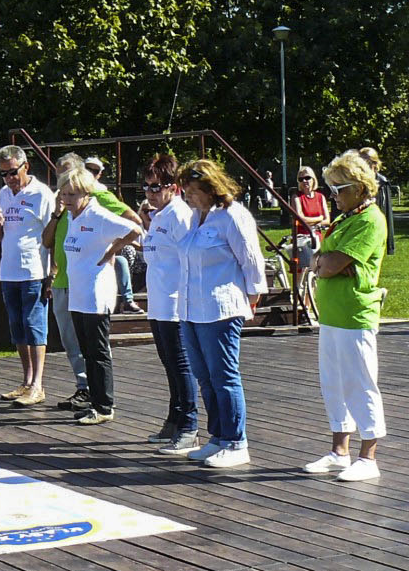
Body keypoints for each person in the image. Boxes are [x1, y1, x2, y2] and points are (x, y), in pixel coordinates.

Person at [172, 158, 268, 470]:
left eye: (193, 190)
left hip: (220, 309)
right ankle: (218, 436)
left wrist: (252, 297)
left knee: (224, 376)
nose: (188, 196)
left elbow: (252, 261)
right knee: (204, 376)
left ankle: (236, 441)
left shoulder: (232, 216)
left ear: (211, 188)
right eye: (186, 190)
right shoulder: (194, 217)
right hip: (191, 309)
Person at [302, 150, 388, 482]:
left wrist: (324, 263)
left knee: (360, 383)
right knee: (333, 382)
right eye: (331, 188)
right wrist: (323, 262)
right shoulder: (345, 218)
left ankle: (369, 456)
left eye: (338, 189)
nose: (332, 196)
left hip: (354, 313)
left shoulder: (370, 219)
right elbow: (321, 260)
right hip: (332, 314)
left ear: (359, 188)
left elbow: (331, 263)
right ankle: (340, 451)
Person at [43, 153, 140, 412]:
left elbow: (136, 229)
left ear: (86, 193)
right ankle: (93, 401)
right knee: (85, 351)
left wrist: (113, 249)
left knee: (97, 352)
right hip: (77, 293)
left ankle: (104, 406)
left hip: (96, 294)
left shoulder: (97, 214)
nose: (66, 199)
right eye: (64, 194)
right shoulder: (72, 216)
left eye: (72, 195)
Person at [139, 152, 199, 454]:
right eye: (147, 186)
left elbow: (190, 258)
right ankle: (174, 419)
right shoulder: (159, 216)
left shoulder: (179, 215)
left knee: (181, 366)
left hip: (175, 304)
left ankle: (189, 426)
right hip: (158, 303)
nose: (150, 193)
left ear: (173, 187)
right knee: (169, 365)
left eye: (156, 187)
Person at [0, 145, 55, 405]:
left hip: (34, 270)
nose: (9, 179)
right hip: (8, 271)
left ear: (25, 166)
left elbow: (53, 235)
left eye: (12, 172)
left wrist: (52, 273)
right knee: (17, 326)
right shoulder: (3, 194)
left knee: (34, 326)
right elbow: (0, 236)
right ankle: (27, 380)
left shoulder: (42, 194)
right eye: (3, 174)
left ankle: (38, 385)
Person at [85, 154, 142, 314]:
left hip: (103, 250)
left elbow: (134, 220)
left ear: (100, 174)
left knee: (122, 260)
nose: (90, 173)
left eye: (95, 171)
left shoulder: (101, 194)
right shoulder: (69, 194)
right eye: (87, 169)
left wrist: (114, 246)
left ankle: (127, 301)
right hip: (82, 251)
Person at [288, 165, 330, 321]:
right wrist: (318, 218)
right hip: (301, 239)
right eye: (301, 179)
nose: (305, 181)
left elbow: (328, 220)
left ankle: (308, 307)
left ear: (314, 179)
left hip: (315, 239)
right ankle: (298, 308)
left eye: (308, 178)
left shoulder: (320, 197)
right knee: (300, 275)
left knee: (313, 273)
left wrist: (315, 221)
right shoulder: (297, 197)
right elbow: (299, 218)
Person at [359, 148, 396, 255]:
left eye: (367, 161)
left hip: (376, 229)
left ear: (375, 164)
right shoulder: (355, 182)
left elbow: (387, 213)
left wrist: (390, 245)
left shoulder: (383, 183)